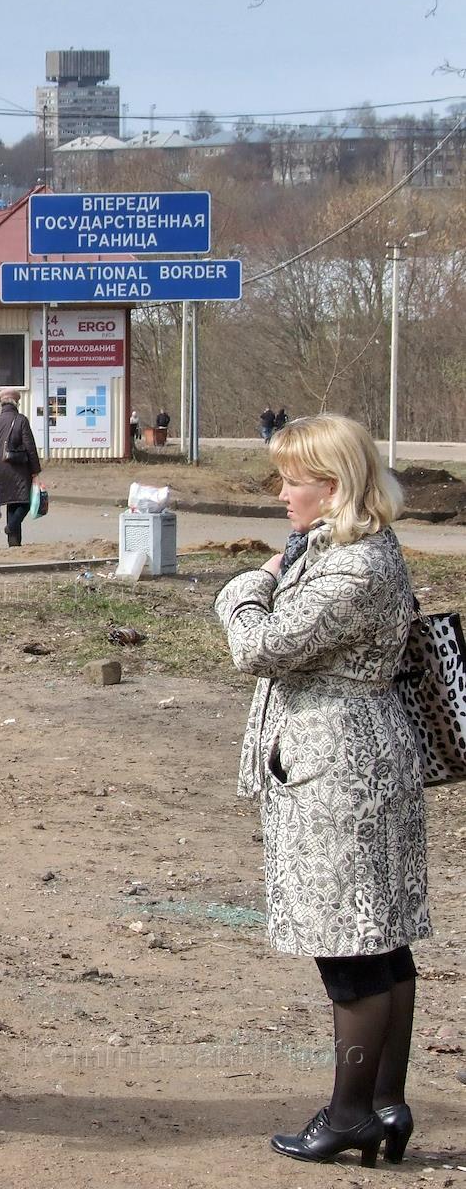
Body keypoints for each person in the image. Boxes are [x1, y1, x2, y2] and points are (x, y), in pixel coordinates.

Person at [214, 414, 430, 1168]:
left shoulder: (353, 567)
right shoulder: (344, 549)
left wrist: (247, 587)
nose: (280, 494)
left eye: (291, 480)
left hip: (339, 773)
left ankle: (349, 1114)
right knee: (377, 942)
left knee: (351, 949)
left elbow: (258, 646)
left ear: (332, 487)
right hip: (355, 760)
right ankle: (383, 1103)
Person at [0, 389, 40, 547]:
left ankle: (14, 543)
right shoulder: (21, 420)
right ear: (16, 403)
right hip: (19, 467)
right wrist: (35, 470)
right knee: (25, 502)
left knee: (11, 502)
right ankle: (11, 527)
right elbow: (30, 446)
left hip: (0, 468)